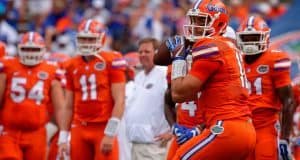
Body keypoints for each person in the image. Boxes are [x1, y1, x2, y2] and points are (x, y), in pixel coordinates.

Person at [162, 0, 256, 159]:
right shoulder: (228, 49)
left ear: (219, 24)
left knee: (181, 157)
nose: (195, 26)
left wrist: (178, 58)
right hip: (242, 128)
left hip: (225, 128)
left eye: (201, 21)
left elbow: (178, 94)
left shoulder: (211, 45)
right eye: (194, 20)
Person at [0, 32, 71, 159]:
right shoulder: (8, 66)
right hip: (10, 131)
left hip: (37, 133)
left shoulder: (51, 70)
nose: (30, 53)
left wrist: (63, 135)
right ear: (19, 49)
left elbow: (60, 107)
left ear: (43, 50)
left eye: (34, 49)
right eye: (26, 49)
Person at [64, 19, 126, 160]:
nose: (86, 43)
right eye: (83, 39)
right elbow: (67, 106)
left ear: (101, 38)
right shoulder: (71, 64)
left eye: (90, 39)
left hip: (102, 127)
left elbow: (120, 101)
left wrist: (110, 133)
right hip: (79, 126)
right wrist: (63, 136)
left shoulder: (111, 60)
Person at [237, 15, 295, 160]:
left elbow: (288, 101)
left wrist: (284, 138)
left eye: (254, 37)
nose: (250, 42)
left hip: (266, 126)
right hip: (241, 126)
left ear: (265, 37)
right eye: (246, 38)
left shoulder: (275, 59)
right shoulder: (235, 61)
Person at [125, 37, 172, 160]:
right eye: (140, 52)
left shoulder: (164, 73)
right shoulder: (139, 77)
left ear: (156, 53)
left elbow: (179, 102)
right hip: (135, 143)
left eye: (147, 51)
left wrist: (172, 132)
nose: (142, 55)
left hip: (155, 145)